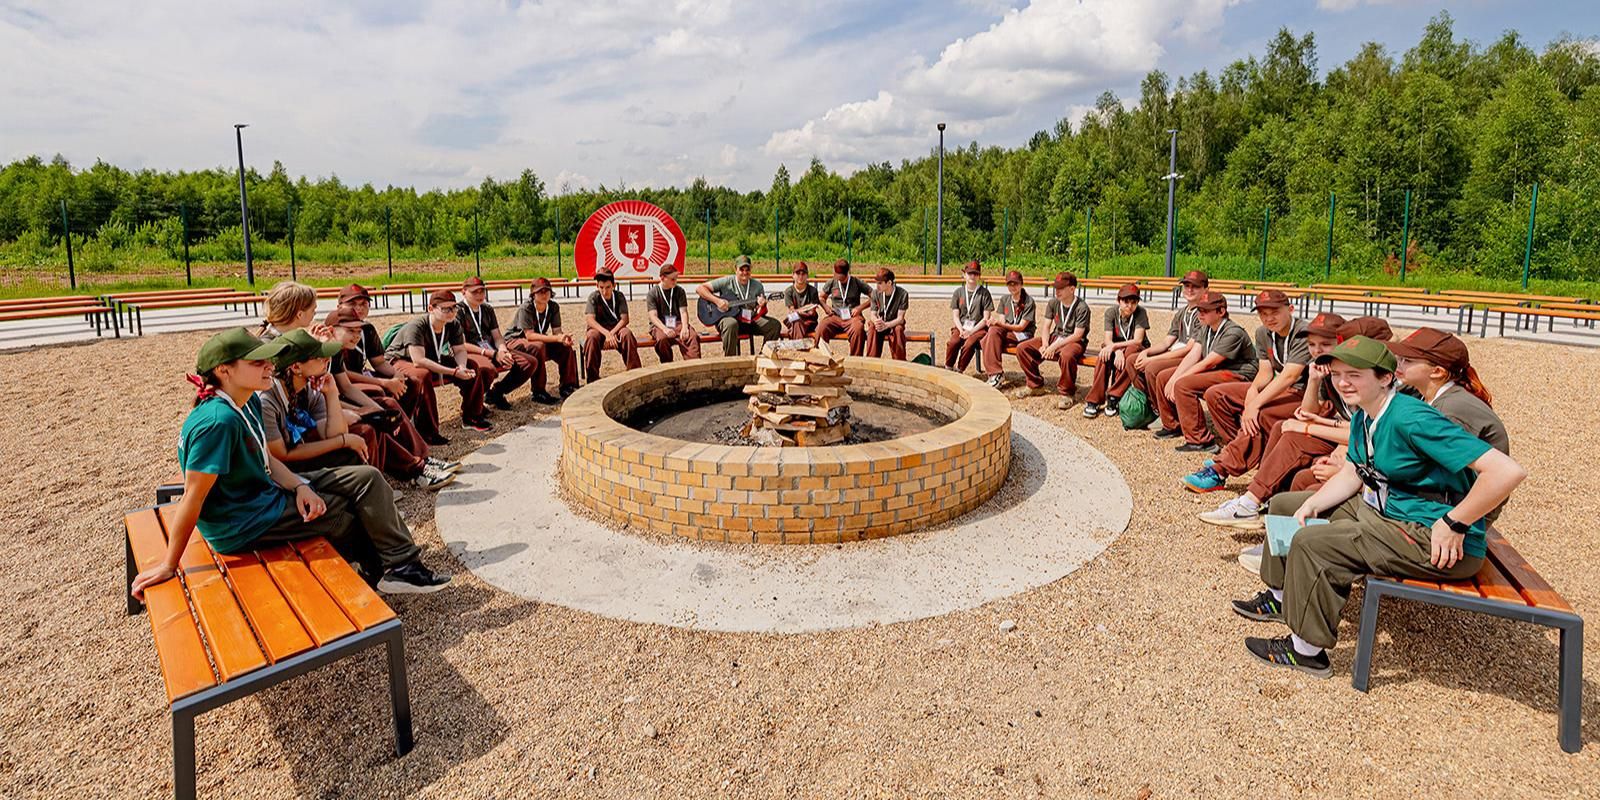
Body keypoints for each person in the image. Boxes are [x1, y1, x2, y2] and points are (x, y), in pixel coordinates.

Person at [1229, 335, 1527, 678]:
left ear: (1386, 378)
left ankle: (1306, 651)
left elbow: (1506, 472)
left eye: (1355, 374)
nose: (1342, 382)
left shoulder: (1411, 418)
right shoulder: (1365, 413)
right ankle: (1281, 598)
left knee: (1314, 544)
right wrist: (1313, 503)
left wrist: (1456, 522)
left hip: (1432, 535)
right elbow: (1355, 472)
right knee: (1284, 506)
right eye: (1337, 373)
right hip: (1388, 513)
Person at [128, 328, 451, 601]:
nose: (270, 366)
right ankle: (380, 568)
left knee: (365, 478)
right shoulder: (218, 422)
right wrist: (170, 564)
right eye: (257, 362)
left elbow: (266, 459)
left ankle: (400, 566)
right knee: (339, 511)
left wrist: (300, 486)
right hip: (243, 521)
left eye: (269, 359)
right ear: (224, 371)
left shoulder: (247, 399)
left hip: (262, 494)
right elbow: (193, 497)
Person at [263, 329, 457, 490]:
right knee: (364, 431)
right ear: (296, 367)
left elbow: (332, 431)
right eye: (319, 357)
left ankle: (398, 477)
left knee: (373, 423)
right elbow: (283, 455)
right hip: (285, 472)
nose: (326, 361)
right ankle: (388, 484)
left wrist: (330, 394)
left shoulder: (306, 386)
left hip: (305, 445)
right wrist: (345, 440)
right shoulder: (268, 399)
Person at [1182, 290, 1311, 490]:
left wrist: (1254, 404)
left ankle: (1221, 469)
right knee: (1216, 395)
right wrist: (1253, 391)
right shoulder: (1262, 333)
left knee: (1260, 412)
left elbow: (1290, 376)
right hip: (1281, 387)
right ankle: (1241, 451)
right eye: (1263, 313)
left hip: (1305, 393)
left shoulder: (1303, 332)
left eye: (1274, 312)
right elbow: (1265, 373)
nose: (1268, 318)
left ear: (1291, 309)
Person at [323, 308, 459, 479]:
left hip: (336, 401)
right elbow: (322, 398)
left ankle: (423, 457)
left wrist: (378, 411)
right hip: (323, 412)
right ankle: (415, 468)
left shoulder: (334, 350)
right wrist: (366, 412)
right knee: (372, 423)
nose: (357, 336)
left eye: (359, 331)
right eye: (350, 330)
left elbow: (346, 387)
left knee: (388, 407)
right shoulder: (320, 352)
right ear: (330, 330)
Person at [257, 280, 386, 420]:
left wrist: (368, 411)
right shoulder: (270, 347)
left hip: (309, 408)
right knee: (365, 429)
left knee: (378, 417)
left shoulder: (298, 338)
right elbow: (294, 392)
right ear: (300, 314)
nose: (315, 315)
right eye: (313, 310)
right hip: (290, 419)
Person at [336, 285, 444, 445]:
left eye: (363, 304)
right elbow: (343, 375)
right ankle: (394, 435)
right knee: (380, 391)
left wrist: (396, 375)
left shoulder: (367, 329)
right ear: (339, 306)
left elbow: (379, 362)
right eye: (352, 304)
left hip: (362, 376)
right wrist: (384, 382)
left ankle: (412, 430)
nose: (359, 308)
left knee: (410, 382)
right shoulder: (335, 329)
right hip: (345, 383)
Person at [1151, 291, 1257, 453]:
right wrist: (1174, 377)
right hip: (1220, 370)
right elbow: (1194, 354)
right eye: (1199, 310)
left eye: (1205, 311)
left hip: (1239, 374)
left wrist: (1179, 379)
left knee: (1184, 384)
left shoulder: (1233, 332)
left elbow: (1209, 362)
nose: (1200, 314)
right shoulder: (1206, 327)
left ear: (1221, 312)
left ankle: (1200, 439)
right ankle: (1173, 425)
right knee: (1165, 376)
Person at [385, 290, 495, 433]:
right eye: (446, 309)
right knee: (422, 375)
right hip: (401, 359)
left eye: (454, 307)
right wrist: (454, 372)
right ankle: (428, 430)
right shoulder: (417, 326)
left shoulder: (453, 324)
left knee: (471, 365)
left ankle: (472, 417)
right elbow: (418, 360)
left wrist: (461, 367)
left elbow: (460, 350)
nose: (451, 312)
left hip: (430, 357)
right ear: (431, 308)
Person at [493, 278, 579, 404]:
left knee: (564, 348)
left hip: (537, 340)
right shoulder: (526, 307)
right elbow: (529, 335)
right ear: (533, 294)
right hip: (515, 340)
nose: (544, 294)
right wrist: (556, 338)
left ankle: (567, 386)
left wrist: (563, 339)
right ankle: (538, 391)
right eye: (540, 292)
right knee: (538, 347)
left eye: (547, 291)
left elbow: (557, 331)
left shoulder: (553, 306)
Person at [1016, 271, 1092, 408]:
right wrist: (1045, 344)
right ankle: (1035, 385)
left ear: (1072, 289)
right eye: (1056, 288)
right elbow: (1046, 326)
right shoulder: (1053, 303)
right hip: (1055, 337)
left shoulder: (1082, 307)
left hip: (1074, 341)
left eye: (1061, 288)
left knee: (1067, 355)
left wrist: (1054, 347)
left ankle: (1067, 393)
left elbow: (1077, 335)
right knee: (1023, 348)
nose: (1057, 291)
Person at [1133, 270, 1209, 402]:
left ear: (1205, 290)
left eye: (1195, 286)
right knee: (1133, 360)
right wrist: (1147, 352)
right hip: (1178, 354)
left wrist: (1152, 360)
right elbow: (1167, 342)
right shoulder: (1182, 312)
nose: (1190, 290)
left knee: (1152, 368)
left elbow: (1188, 350)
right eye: (1187, 286)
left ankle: (1165, 410)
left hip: (1192, 359)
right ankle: (1151, 402)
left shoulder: (1204, 314)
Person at [1081, 283, 1150, 417]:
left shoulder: (1141, 312)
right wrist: (1116, 350)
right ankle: (1094, 400)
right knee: (1104, 355)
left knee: (1130, 353)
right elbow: (1108, 339)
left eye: (1133, 302)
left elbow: (1138, 340)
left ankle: (1114, 396)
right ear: (1118, 300)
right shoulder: (1111, 312)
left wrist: (1114, 347)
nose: (1129, 306)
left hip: (1135, 349)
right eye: (1125, 301)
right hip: (1117, 348)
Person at [696, 255, 781, 356]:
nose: (745, 273)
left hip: (749, 319)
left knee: (774, 325)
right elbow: (700, 289)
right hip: (728, 319)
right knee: (731, 324)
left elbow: (760, 313)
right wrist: (717, 301)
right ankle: (730, 361)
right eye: (741, 269)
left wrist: (762, 306)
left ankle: (764, 356)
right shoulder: (727, 281)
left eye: (747, 269)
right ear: (735, 269)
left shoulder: (757, 285)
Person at [460, 277, 515, 410]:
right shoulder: (458, 312)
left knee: (527, 362)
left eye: (482, 291)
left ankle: (496, 392)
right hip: (471, 352)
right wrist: (492, 353)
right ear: (464, 292)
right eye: (475, 292)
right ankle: (473, 405)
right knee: (487, 369)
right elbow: (461, 344)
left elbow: (497, 336)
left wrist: (503, 350)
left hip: (491, 349)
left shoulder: (487, 309)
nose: (479, 295)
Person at [581, 271, 642, 382]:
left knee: (627, 334)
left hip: (616, 327)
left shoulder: (619, 296)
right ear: (597, 286)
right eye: (601, 287)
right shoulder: (593, 297)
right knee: (591, 337)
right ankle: (592, 378)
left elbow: (624, 319)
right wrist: (607, 334)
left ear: (614, 285)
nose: (605, 291)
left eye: (608, 287)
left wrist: (612, 333)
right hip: (598, 329)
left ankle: (635, 373)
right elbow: (590, 319)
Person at [979, 270, 1036, 389]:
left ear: (1021, 284)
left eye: (1015, 283)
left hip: (1023, 334)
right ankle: (995, 374)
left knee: (988, 338)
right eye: (1010, 284)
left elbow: (1021, 327)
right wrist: (995, 323)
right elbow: (1002, 322)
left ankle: (995, 374)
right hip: (1009, 333)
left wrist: (999, 324)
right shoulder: (1005, 299)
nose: (1013, 287)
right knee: (991, 334)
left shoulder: (1029, 301)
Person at [814, 259, 871, 355]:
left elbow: (874, 297)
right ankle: (820, 356)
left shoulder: (856, 282)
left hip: (853, 318)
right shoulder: (832, 282)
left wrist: (860, 308)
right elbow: (821, 297)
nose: (837, 278)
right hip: (835, 317)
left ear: (847, 273)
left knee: (858, 329)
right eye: (836, 274)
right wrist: (826, 308)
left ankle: (855, 360)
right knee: (821, 327)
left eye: (840, 276)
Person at [646, 266, 701, 363]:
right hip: (659, 325)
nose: (675, 281)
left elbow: (683, 311)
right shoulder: (653, 293)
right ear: (662, 278)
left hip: (678, 323)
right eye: (672, 279)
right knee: (662, 339)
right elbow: (653, 316)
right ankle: (667, 365)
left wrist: (685, 327)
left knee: (692, 336)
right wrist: (665, 328)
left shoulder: (679, 291)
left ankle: (694, 365)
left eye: (676, 278)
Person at [944, 261, 992, 373]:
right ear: (964, 275)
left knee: (969, 344)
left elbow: (986, 319)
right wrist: (961, 330)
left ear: (979, 276)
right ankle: (948, 367)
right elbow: (955, 316)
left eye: (975, 274)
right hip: (961, 326)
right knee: (953, 342)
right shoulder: (958, 292)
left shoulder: (985, 293)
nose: (972, 276)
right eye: (970, 273)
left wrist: (970, 332)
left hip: (978, 328)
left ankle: (960, 369)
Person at [865, 268, 910, 360]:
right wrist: (877, 321)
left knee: (898, 329)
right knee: (872, 326)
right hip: (881, 323)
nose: (877, 286)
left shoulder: (902, 294)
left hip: (894, 324)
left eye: (880, 283)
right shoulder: (875, 293)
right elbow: (873, 314)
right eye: (876, 283)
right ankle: (872, 360)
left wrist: (886, 325)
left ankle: (899, 362)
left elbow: (900, 318)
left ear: (889, 283)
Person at [780, 262, 822, 340]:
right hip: (794, 320)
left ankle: (796, 347)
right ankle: (799, 347)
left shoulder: (812, 290)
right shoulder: (789, 291)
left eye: (803, 274)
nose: (801, 276)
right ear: (793, 275)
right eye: (798, 273)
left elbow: (812, 312)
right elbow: (792, 310)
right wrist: (804, 309)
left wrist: (798, 311)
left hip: (809, 322)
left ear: (807, 275)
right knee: (796, 321)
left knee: (797, 323)